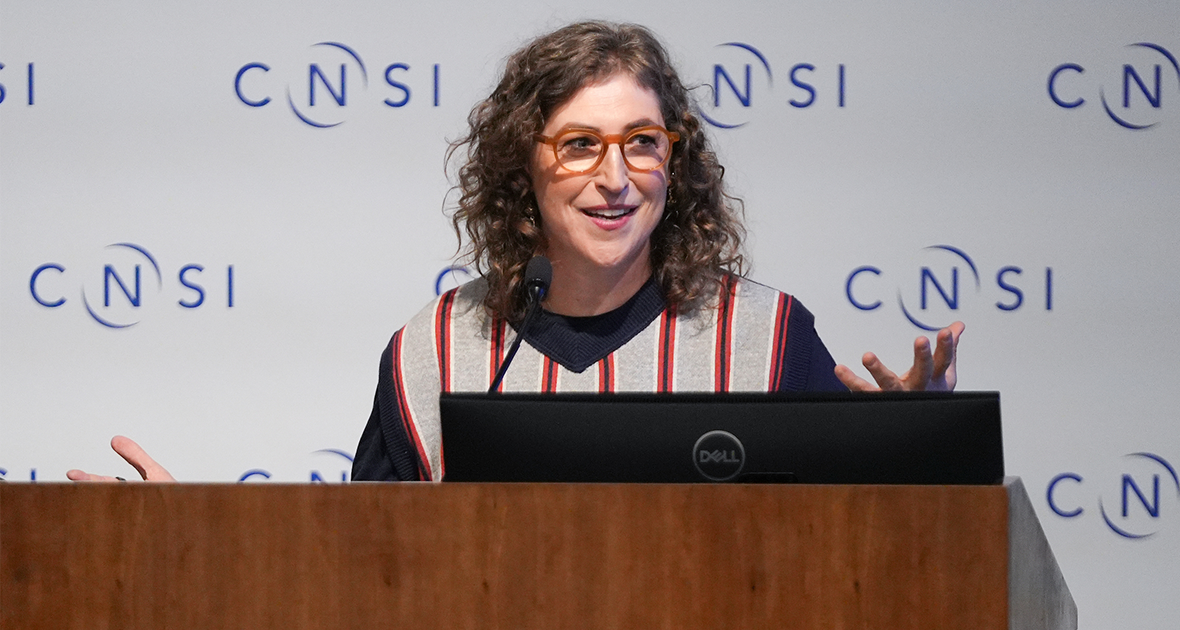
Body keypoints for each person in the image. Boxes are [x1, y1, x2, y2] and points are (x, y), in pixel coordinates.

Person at [67, 21, 962, 484]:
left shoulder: (761, 335)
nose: (616, 177)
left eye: (642, 142)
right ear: (521, 167)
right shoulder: (436, 352)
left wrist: (916, 448)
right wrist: (182, 532)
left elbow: (858, 556)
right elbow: (353, 574)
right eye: (580, 145)